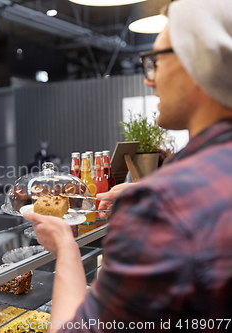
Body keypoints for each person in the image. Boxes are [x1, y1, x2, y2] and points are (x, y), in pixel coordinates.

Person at [23, 0, 232, 331]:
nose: (150, 80)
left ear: (198, 61)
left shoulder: (161, 206)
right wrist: (141, 189)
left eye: (155, 62)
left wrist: (65, 247)